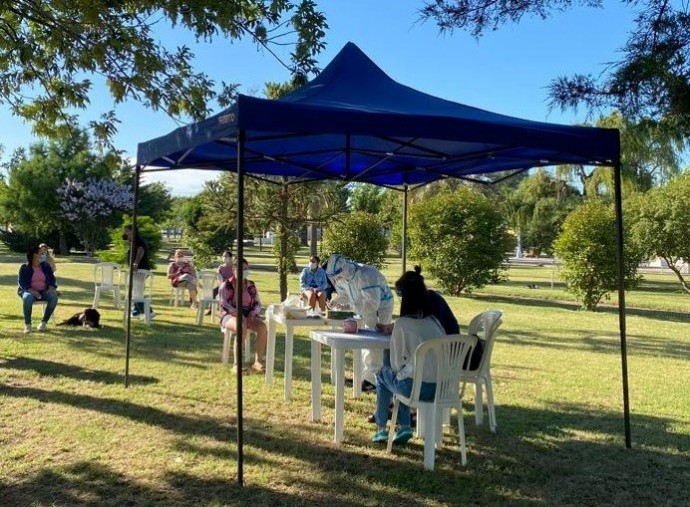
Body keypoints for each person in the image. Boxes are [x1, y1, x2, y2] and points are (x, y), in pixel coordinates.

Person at [371, 268, 445, 445]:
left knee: (384, 375)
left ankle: (382, 428)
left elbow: (397, 366)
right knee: (403, 376)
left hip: (416, 388)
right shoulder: (434, 322)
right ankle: (403, 425)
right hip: (442, 387)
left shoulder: (403, 324)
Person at [325, 254, 394, 387]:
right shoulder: (343, 277)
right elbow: (345, 295)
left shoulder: (367, 275)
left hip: (382, 308)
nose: (336, 279)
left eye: (337, 276)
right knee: (364, 342)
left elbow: (372, 304)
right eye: (334, 277)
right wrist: (335, 302)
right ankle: (365, 377)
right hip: (363, 308)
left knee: (375, 342)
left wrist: (351, 306)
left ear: (344, 270)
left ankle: (374, 380)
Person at [219, 257, 267, 373]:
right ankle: (237, 364)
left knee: (262, 327)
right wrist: (238, 314)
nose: (245, 271)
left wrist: (253, 313)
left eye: (246, 269)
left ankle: (258, 362)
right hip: (229, 315)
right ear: (234, 269)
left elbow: (257, 304)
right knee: (241, 325)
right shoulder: (226, 285)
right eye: (242, 269)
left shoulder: (251, 285)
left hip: (248, 315)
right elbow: (224, 304)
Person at [17, 245, 59, 333]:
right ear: (34, 255)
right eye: (41, 253)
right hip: (29, 291)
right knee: (28, 298)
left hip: (44, 291)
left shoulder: (45, 266)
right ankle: (28, 325)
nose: (43, 255)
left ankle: (43, 323)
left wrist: (51, 287)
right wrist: (33, 291)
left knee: (54, 297)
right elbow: (22, 283)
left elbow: (52, 279)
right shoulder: (24, 267)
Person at [123, 224, 153, 319]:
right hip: (137, 269)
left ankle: (148, 311)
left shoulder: (137, 240)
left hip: (140, 269)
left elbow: (141, 250)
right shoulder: (132, 241)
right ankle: (138, 311)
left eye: (127, 231)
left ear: (133, 231)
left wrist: (135, 263)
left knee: (137, 291)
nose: (126, 233)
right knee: (136, 291)